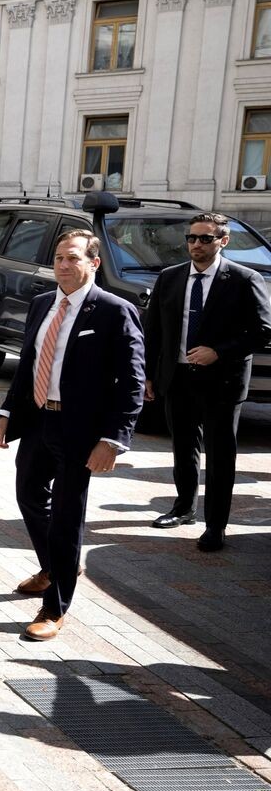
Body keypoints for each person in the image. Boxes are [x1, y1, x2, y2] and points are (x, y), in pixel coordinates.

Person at [0, 230, 144, 641]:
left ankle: (54, 608)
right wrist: (6, 414)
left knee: (66, 517)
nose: (63, 264)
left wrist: (113, 440)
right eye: (58, 257)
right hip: (39, 420)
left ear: (94, 263)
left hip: (82, 431)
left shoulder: (114, 311)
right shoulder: (43, 304)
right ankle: (54, 566)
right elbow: (27, 367)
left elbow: (132, 381)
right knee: (28, 496)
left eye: (73, 258)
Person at [143, 213, 271, 551]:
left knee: (219, 455)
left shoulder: (244, 279)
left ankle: (216, 526)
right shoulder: (170, 278)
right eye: (192, 238)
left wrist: (219, 351)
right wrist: (149, 375)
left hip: (223, 382)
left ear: (223, 241)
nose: (196, 244)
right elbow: (153, 331)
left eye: (205, 239)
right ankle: (184, 508)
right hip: (178, 377)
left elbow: (262, 331)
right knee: (183, 449)